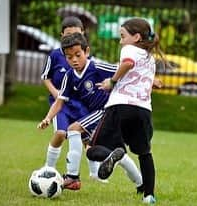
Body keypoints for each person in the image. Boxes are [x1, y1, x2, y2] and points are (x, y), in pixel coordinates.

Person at [38, 32, 143, 191]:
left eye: (78, 55)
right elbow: (59, 101)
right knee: (100, 151)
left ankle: (72, 177)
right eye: (69, 57)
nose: (74, 60)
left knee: (73, 129)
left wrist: (149, 80)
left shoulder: (97, 67)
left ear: (87, 52)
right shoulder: (69, 76)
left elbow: (122, 70)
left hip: (109, 110)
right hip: (96, 115)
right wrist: (47, 118)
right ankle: (141, 183)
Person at [88, 18, 164, 204]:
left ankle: (113, 154)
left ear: (136, 37)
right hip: (143, 111)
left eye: (123, 36)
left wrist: (112, 82)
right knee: (145, 153)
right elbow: (137, 75)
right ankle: (149, 196)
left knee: (92, 150)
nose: (121, 41)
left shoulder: (129, 50)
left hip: (120, 106)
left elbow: (128, 63)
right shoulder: (150, 59)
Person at [40, 16, 104, 185]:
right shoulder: (54, 55)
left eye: (76, 34)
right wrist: (55, 93)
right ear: (62, 35)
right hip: (61, 103)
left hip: (82, 105)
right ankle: (48, 169)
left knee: (87, 138)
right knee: (61, 133)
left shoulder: (86, 56)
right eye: (68, 34)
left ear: (83, 34)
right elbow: (45, 77)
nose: (72, 38)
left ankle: (94, 173)